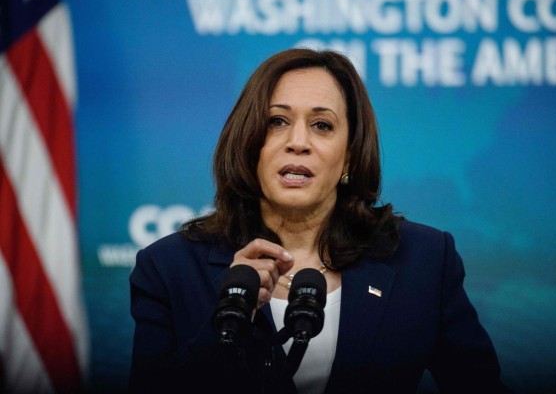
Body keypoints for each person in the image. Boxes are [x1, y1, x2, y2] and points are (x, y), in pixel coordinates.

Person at [129, 48, 512, 394]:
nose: (298, 142)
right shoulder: (169, 268)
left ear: (349, 156)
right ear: (248, 143)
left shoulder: (423, 261)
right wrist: (227, 321)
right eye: (277, 121)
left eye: (322, 125)